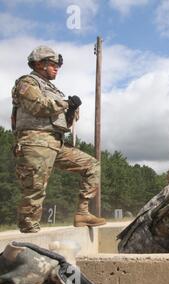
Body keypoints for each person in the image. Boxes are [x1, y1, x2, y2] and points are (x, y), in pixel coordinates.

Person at [11, 45, 106, 233]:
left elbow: (64, 123)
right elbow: (39, 106)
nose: (56, 68)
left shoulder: (52, 88)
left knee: (91, 166)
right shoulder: (27, 82)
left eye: (57, 65)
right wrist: (65, 104)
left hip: (56, 142)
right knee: (35, 190)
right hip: (35, 142)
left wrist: (70, 111)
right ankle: (29, 235)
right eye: (53, 64)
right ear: (39, 64)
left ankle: (82, 213)